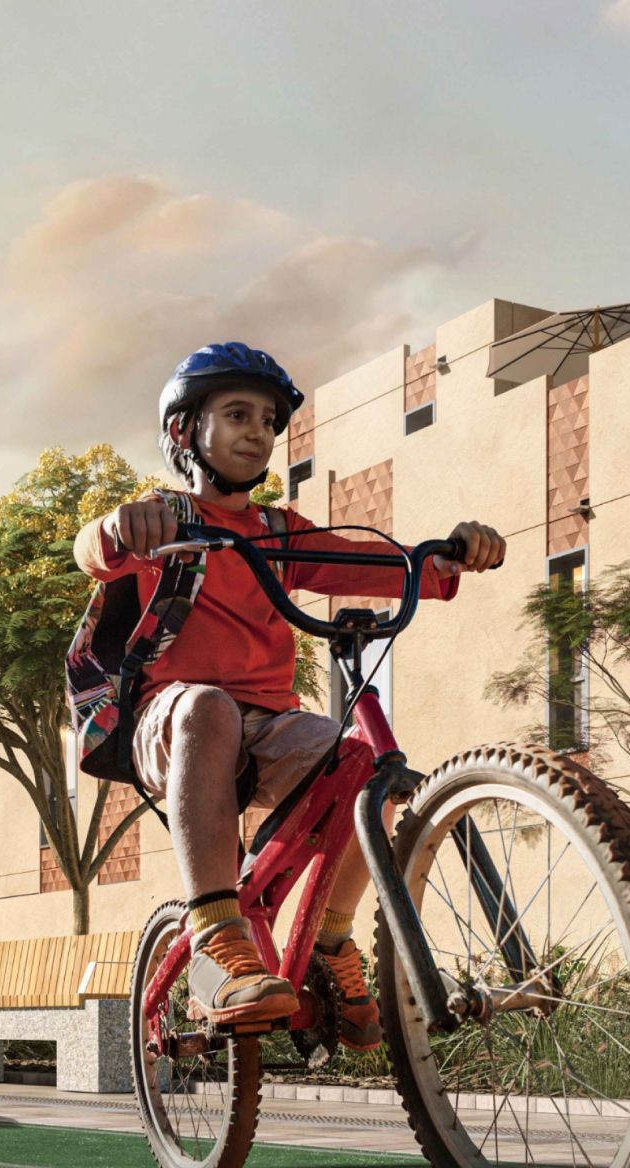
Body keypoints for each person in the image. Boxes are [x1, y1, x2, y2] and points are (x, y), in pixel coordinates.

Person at [73, 343, 505, 1041]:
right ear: (185, 433)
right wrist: (119, 529)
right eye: (237, 414)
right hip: (172, 720)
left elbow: (371, 564)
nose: (257, 432)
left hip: (269, 726)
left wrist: (448, 557)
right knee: (207, 706)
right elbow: (94, 550)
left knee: (367, 765)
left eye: (269, 421)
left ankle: (332, 941)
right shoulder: (162, 519)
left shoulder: (279, 532)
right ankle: (218, 933)